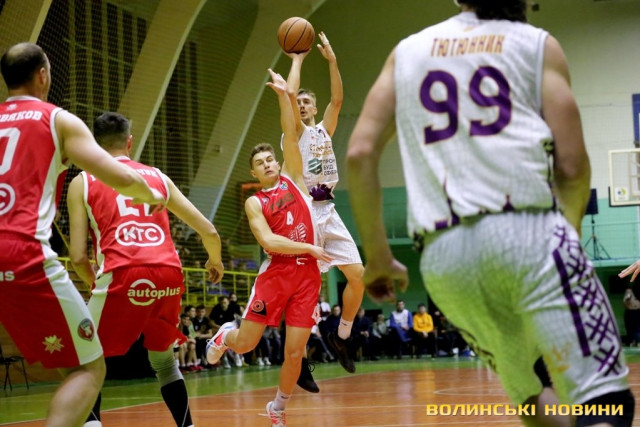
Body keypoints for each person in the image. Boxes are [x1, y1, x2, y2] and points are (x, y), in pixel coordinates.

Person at [346, 1, 634, 426]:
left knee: (529, 395)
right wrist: (568, 242)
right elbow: (572, 167)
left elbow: (359, 153)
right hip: (532, 232)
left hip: (443, 257)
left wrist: (377, 256)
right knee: (606, 404)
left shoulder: (406, 52)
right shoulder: (536, 44)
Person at [0, 43, 166, 427]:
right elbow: (117, 175)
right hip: (21, 254)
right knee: (90, 368)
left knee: (69, 358)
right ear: (43, 75)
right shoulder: (58, 120)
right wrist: (150, 193)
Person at [67, 112, 224, 427]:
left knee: (83, 359)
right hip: (168, 273)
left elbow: (78, 257)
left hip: (121, 271)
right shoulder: (158, 177)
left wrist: (95, 285)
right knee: (164, 362)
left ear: (94, 145)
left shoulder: (82, 181)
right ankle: (188, 425)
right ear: (130, 142)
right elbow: (209, 231)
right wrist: (215, 261)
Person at [206, 69, 331, 426]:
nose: (267, 164)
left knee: (295, 352)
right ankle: (225, 335)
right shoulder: (255, 202)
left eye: (269, 159)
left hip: (307, 277)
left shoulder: (295, 177)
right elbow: (268, 241)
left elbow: (290, 133)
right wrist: (308, 247)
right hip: (276, 274)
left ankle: (277, 408)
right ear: (255, 173)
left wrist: (283, 97)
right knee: (246, 343)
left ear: (278, 162)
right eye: (259, 164)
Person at [285, 32, 364, 375]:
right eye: (299, 102)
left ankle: (342, 335)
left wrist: (332, 61)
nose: (302, 105)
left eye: (307, 103)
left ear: (315, 109)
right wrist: (297, 61)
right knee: (305, 291)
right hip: (303, 212)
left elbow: (338, 98)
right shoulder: (295, 132)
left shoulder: (323, 131)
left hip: (327, 210)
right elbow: (289, 95)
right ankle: (299, 360)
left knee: (357, 276)